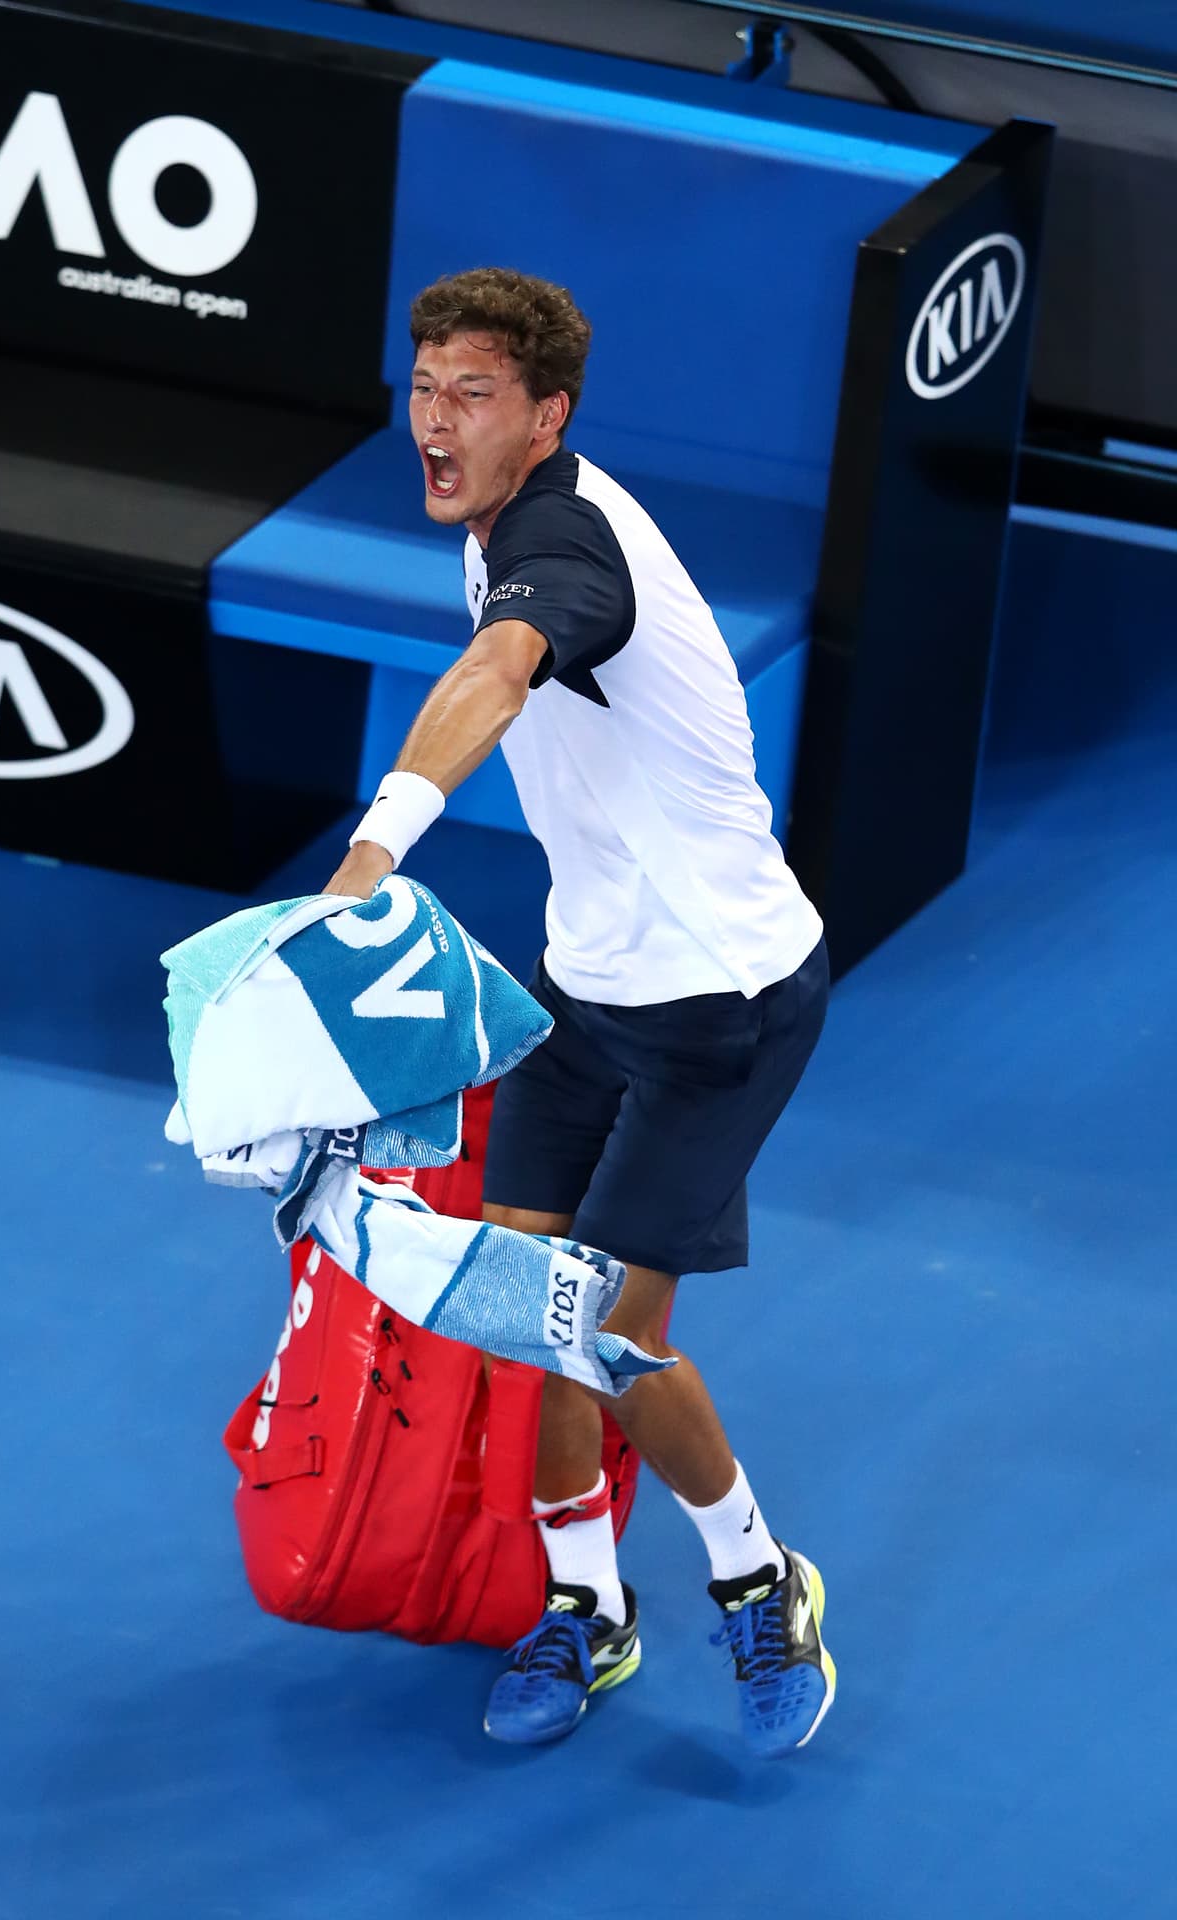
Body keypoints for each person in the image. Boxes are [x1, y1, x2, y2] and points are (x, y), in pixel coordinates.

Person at [325, 267, 835, 1754]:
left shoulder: (560, 541)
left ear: (547, 417)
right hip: (590, 987)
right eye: (422, 390)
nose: (434, 422)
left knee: (608, 1334)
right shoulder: (494, 521)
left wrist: (374, 851)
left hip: (721, 1009)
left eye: (471, 396)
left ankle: (760, 1581)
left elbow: (499, 669)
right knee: (530, 1316)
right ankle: (586, 1611)